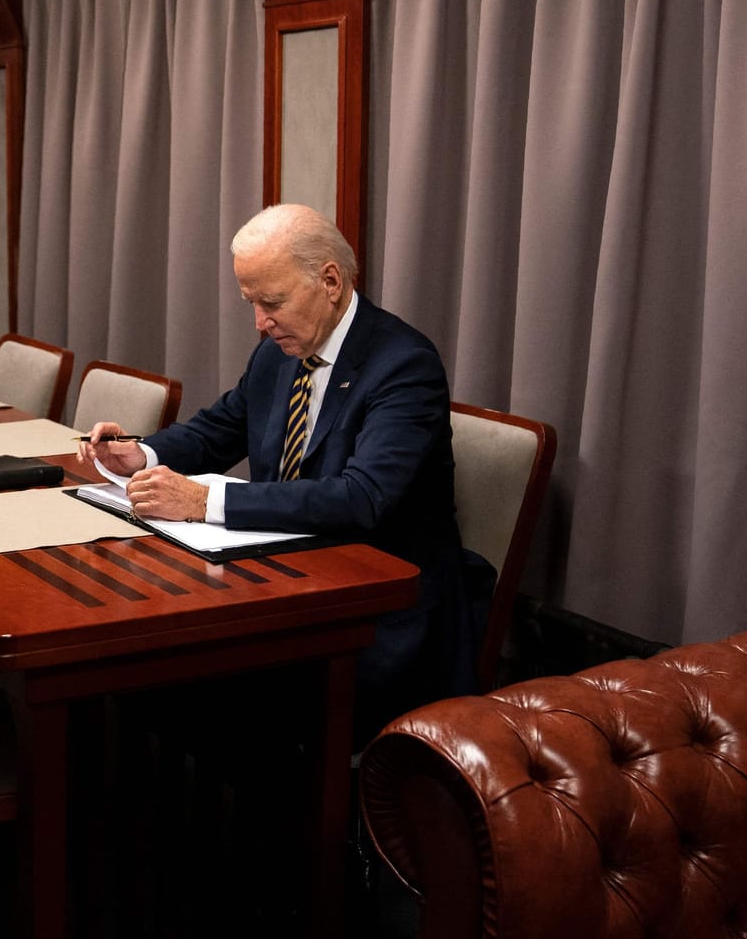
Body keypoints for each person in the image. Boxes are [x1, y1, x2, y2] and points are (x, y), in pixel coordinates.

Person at [81, 203, 480, 720]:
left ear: (330, 281)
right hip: (283, 583)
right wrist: (141, 454)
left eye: (272, 302)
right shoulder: (278, 352)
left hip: (378, 617)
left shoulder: (403, 365)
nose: (259, 323)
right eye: (251, 302)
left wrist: (203, 501)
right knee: (141, 664)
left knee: (190, 684)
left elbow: (361, 497)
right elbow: (220, 428)